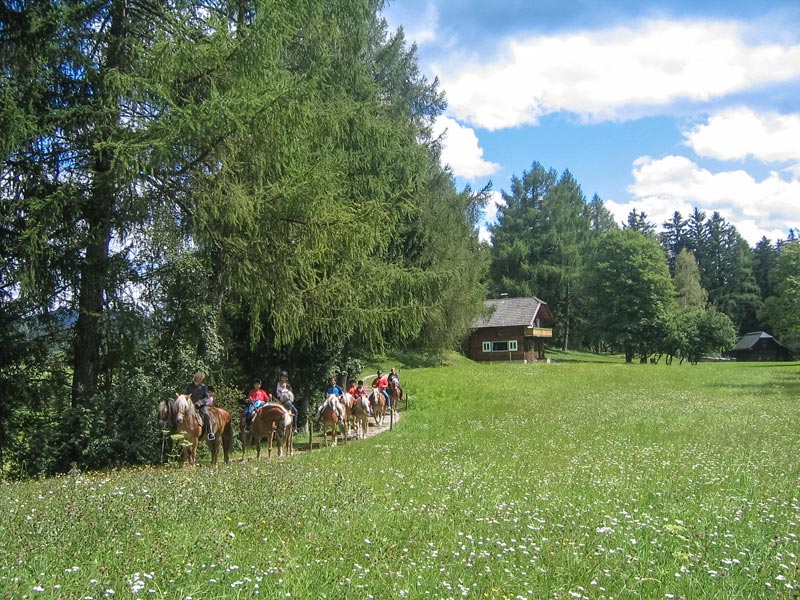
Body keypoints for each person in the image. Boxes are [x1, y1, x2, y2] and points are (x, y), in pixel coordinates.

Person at [186, 370, 215, 441]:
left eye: (202, 378)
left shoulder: (204, 387)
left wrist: (200, 402)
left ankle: (210, 433)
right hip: (190, 406)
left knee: (207, 416)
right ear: (196, 378)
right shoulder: (189, 386)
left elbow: (207, 397)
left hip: (201, 406)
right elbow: (186, 396)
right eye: (200, 378)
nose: (201, 380)